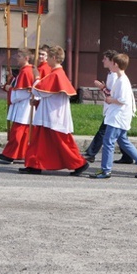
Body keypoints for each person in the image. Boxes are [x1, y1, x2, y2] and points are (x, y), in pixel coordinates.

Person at [19, 45, 89, 176]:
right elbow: (50, 96)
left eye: (48, 57)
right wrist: (38, 102)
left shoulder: (57, 75)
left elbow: (38, 90)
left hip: (54, 116)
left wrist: (36, 77)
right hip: (48, 114)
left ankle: (80, 163)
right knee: (39, 142)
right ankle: (34, 165)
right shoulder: (55, 74)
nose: (46, 61)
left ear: (54, 58)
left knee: (63, 143)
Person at [89, 53, 137, 179]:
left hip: (117, 117)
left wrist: (110, 100)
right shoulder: (121, 79)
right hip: (119, 116)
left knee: (108, 141)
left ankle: (106, 170)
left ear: (116, 64)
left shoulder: (122, 81)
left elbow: (122, 100)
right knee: (123, 141)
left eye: (112, 63)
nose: (110, 64)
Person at [82, 50, 134, 164]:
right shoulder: (111, 74)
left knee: (104, 132)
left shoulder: (116, 76)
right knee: (120, 136)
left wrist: (102, 87)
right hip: (112, 109)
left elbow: (112, 95)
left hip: (115, 111)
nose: (102, 61)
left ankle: (91, 153)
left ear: (112, 61)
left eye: (105, 59)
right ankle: (128, 156)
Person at [0, 48, 35, 163]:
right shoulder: (24, 70)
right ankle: (19, 154)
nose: (16, 59)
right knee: (22, 133)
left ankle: (9, 155)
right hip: (23, 106)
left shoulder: (26, 71)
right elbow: (19, 85)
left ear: (26, 58)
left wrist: (10, 89)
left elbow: (23, 92)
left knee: (17, 133)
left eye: (19, 57)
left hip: (24, 106)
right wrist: (11, 80)